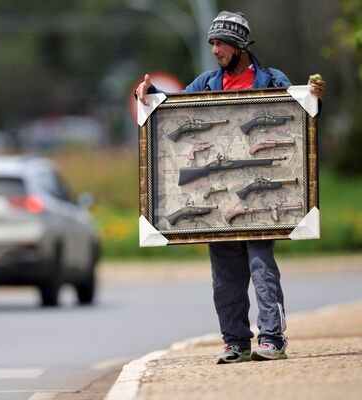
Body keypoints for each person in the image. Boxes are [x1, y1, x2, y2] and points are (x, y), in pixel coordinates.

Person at [136, 11, 325, 364]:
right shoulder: (207, 84)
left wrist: (313, 96)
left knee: (261, 267)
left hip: (260, 194)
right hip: (218, 197)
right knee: (225, 279)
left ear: (239, 45)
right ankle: (235, 341)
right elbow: (174, 109)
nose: (215, 49)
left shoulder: (272, 79)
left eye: (220, 42)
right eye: (212, 42)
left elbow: (298, 121)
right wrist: (149, 95)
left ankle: (272, 338)